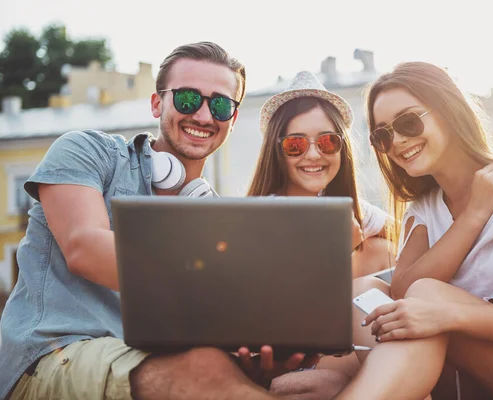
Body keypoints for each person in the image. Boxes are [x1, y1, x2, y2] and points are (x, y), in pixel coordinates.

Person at [0, 42, 332, 400]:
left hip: (159, 364)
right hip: (51, 357)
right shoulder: (86, 150)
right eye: (188, 99)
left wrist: (256, 361)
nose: (204, 117)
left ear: (232, 120)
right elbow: (84, 248)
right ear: (157, 102)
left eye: (220, 105)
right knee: (204, 370)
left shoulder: (221, 224)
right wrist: (234, 282)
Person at [332, 62, 493, 400]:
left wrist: (445, 315)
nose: (398, 140)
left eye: (408, 122)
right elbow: (402, 291)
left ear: (447, 111)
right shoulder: (424, 209)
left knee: (427, 296)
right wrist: (473, 216)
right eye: (383, 135)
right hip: (473, 359)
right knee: (365, 292)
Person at [247, 71, 394, 278]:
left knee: (382, 250)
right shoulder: (265, 216)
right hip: (290, 305)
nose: (314, 155)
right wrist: (338, 249)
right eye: (295, 144)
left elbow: (404, 234)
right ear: (276, 151)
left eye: (327, 141)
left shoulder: (347, 209)